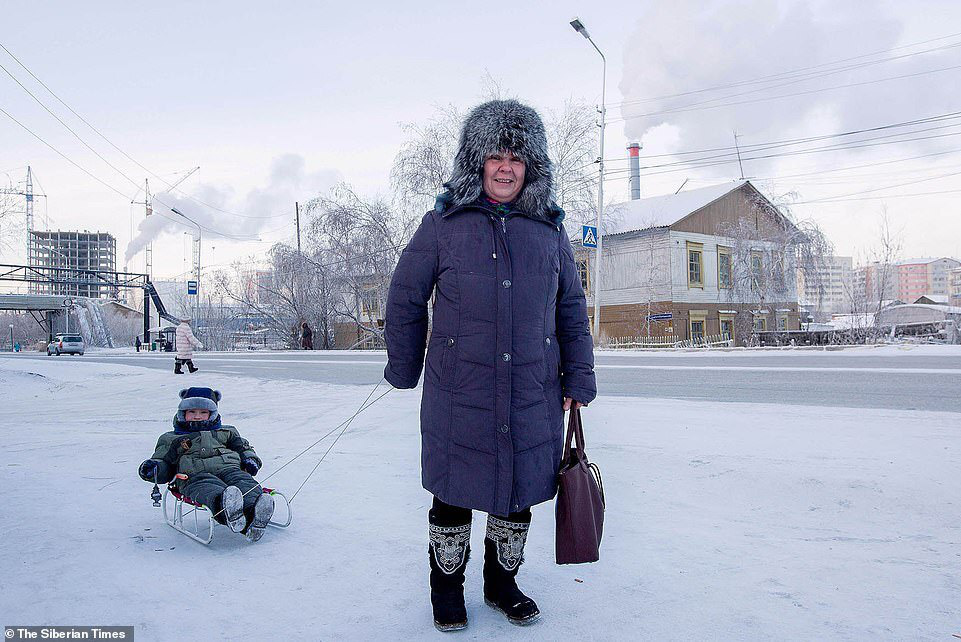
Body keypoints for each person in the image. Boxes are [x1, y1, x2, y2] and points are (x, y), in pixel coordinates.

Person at [384, 100, 596, 631]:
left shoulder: (549, 232)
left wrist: (579, 375)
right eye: (495, 156)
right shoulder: (443, 224)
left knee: (516, 493)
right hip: (460, 390)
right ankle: (446, 593)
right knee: (453, 495)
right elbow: (406, 295)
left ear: (532, 168)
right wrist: (404, 364)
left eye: (516, 159)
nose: (505, 168)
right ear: (476, 162)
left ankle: (502, 586)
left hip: (531, 388)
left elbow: (570, 306)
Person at [137, 387, 275, 541]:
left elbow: (243, 447)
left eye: (203, 412)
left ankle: (255, 512)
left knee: (244, 482)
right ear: (183, 413)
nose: (198, 417)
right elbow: (164, 461)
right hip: (194, 476)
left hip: (230, 468)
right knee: (210, 489)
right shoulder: (171, 438)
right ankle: (226, 509)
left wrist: (250, 459)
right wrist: (155, 469)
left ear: (212, 414)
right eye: (192, 412)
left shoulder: (227, 432)